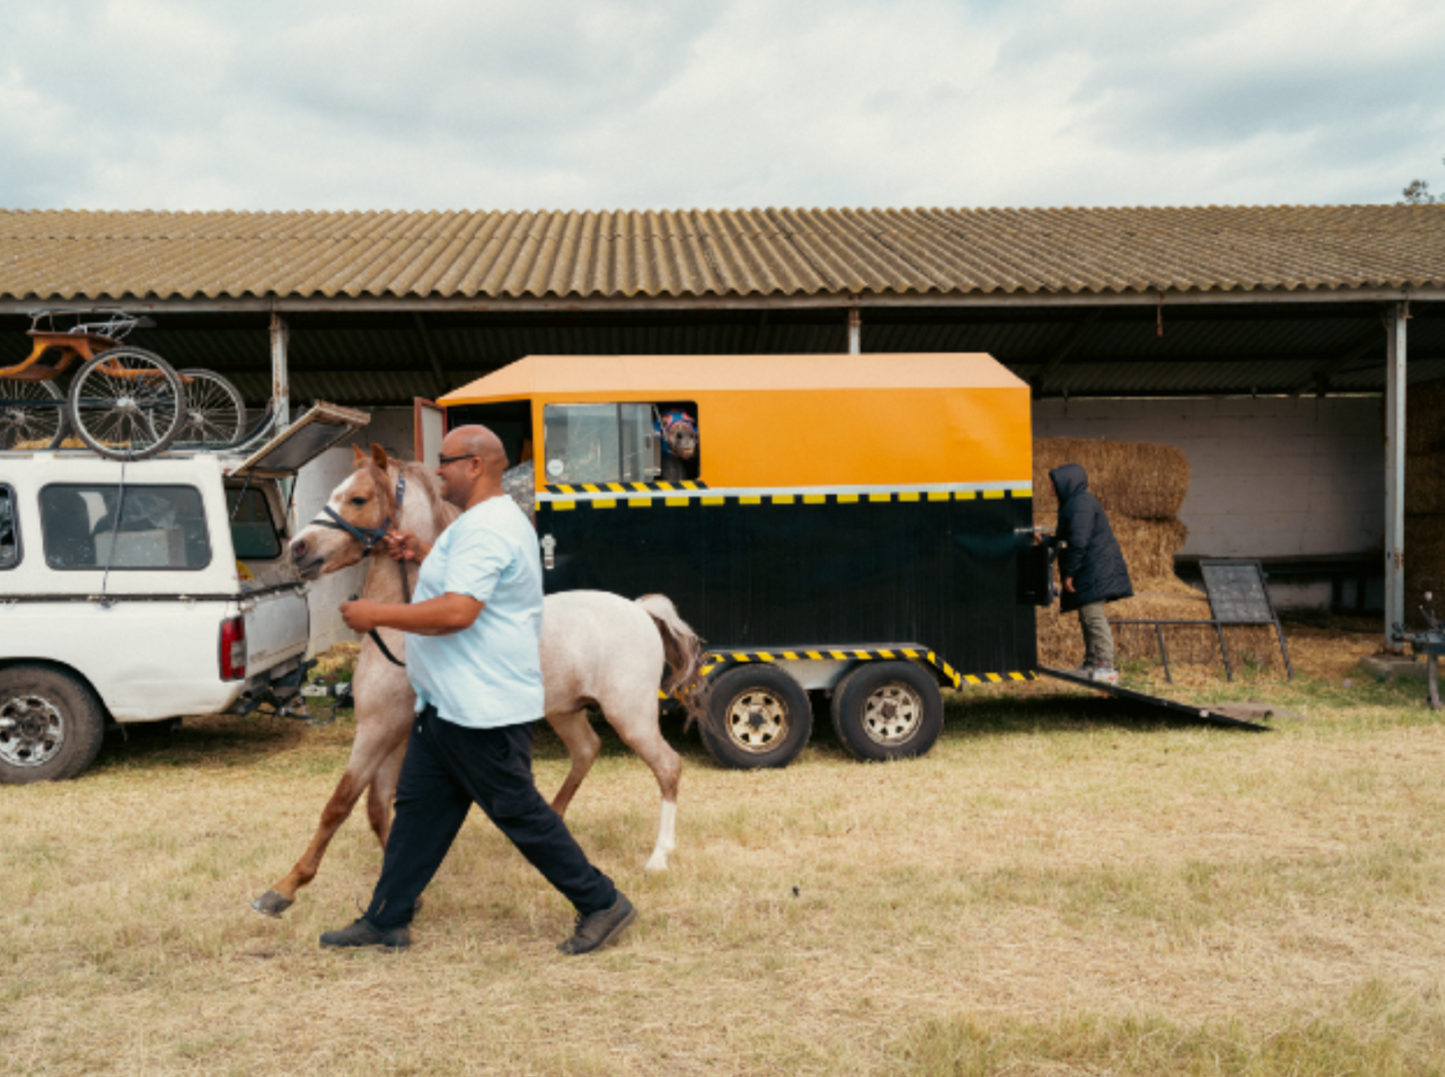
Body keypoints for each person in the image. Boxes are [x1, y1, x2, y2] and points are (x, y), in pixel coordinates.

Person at [320, 424, 635, 953]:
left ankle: (602, 903)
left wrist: (377, 612)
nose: (436, 469)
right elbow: (463, 579)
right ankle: (386, 920)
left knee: (522, 816)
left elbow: (459, 611)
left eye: (445, 460)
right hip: (447, 705)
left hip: (482, 712)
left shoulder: (489, 528)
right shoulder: (476, 524)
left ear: (475, 466)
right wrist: (419, 550)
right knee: (417, 813)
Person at [1049, 463, 1133, 685]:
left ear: (1066, 482)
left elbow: (1078, 542)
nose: (1050, 488)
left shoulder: (1081, 503)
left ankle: (1106, 665)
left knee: (1093, 616)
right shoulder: (1073, 503)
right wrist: (1045, 540)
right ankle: (1092, 663)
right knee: (1087, 615)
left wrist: (1069, 573)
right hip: (1091, 570)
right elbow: (1065, 540)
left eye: (1053, 484)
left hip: (1095, 570)